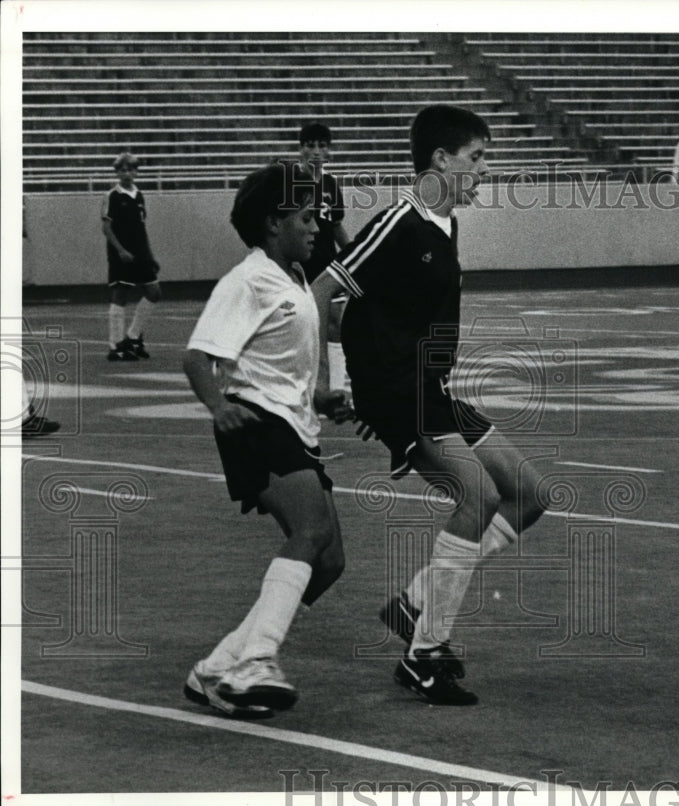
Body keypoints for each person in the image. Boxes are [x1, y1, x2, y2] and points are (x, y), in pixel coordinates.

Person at [311, 105, 550, 706]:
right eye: (476, 158)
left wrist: (367, 337)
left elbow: (369, 313)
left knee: (528, 494)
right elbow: (321, 292)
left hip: (431, 390)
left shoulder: (446, 225)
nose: (484, 170)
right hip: (397, 393)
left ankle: (415, 602)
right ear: (440, 161)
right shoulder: (399, 221)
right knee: (477, 494)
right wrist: (326, 382)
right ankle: (423, 654)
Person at [181, 163, 348, 718]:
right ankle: (257, 660)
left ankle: (216, 667)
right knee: (313, 528)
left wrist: (320, 397)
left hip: (294, 425)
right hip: (257, 424)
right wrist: (218, 405)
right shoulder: (249, 279)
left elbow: (285, 361)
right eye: (305, 217)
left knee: (328, 563)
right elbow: (198, 354)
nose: (317, 228)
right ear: (273, 223)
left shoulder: (294, 279)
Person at [292, 122, 353, 405]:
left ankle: (335, 389)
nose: (316, 152)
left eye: (322, 146)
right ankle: (302, 386)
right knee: (299, 326)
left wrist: (354, 257)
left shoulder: (330, 184)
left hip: (327, 266)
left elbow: (337, 226)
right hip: (297, 266)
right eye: (310, 145)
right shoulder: (290, 180)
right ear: (301, 148)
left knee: (335, 325)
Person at [102, 152, 161, 361]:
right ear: (117, 172)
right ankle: (115, 346)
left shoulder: (139, 195)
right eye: (123, 170)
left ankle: (132, 337)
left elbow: (141, 228)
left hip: (140, 252)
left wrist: (149, 254)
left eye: (131, 169)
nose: (127, 173)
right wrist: (120, 250)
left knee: (154, 292)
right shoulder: (112, 196)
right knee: (121, 294)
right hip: (122, 254)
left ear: (136, 172)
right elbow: (106, 228)